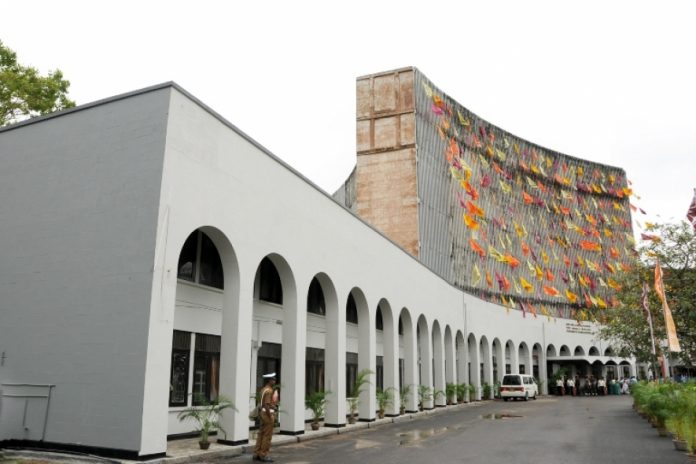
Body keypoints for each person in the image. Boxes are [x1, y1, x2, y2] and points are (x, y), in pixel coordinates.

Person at [254, 372, 278, 462]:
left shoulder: (263, 389)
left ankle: (257, 453)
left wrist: (272, 406)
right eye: (273, 379)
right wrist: (270, 415)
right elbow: (266, 405)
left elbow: (263, 403)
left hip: (262, 413)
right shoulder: (269, 391)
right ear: (269, 380)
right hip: (267, 414)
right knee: (267, 436)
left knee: (261, 434)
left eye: (274, 379)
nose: (274, 381)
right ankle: (263, 454)